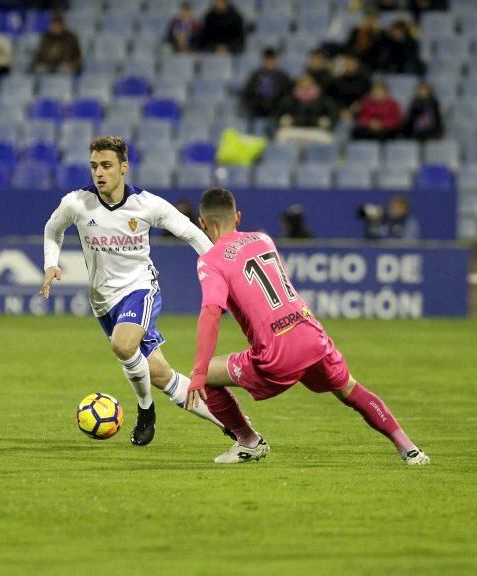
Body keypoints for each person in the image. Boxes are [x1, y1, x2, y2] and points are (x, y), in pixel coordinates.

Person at [184, 187, 429, 466]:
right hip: (311, 334)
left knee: (207, 376)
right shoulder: (263, 239)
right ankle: (409, 448)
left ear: (202, 224)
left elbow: (211, 312)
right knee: (349, 389)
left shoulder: (210, 260)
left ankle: (249, 442)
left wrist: (200, 372)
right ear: (238, 217)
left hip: (277, 351)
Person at [39, 136, 253, 450]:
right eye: (94, 166)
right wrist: (50, 264)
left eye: (107, 166)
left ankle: (145, 411)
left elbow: (193, 233)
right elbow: (52, 229)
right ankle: (235, 428)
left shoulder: (147, 205)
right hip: (102, 301)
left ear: (124, 167)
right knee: (161, 375)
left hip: (140, 288)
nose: (100, 173)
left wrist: (220, 270)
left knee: (123, 346)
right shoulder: (76, 203)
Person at [241, 47, 293, 120]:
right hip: (258, 108)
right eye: (267, 60)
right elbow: (247, 93)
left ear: (276, 60)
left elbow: (288, 94)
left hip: (277, 109)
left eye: (271, 59)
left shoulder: (283, 77)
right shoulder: (255, 76)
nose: (269, 62)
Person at [328, 52, 372, 118]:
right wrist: (341, 110)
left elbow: (368, 96)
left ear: (357, 65)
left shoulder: (365, 81)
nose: (349, 66)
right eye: (347, 64)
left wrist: (360, 104)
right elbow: (332, 98)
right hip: (340, 112)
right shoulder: (337, 81)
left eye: (352, 64)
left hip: (360, 112)